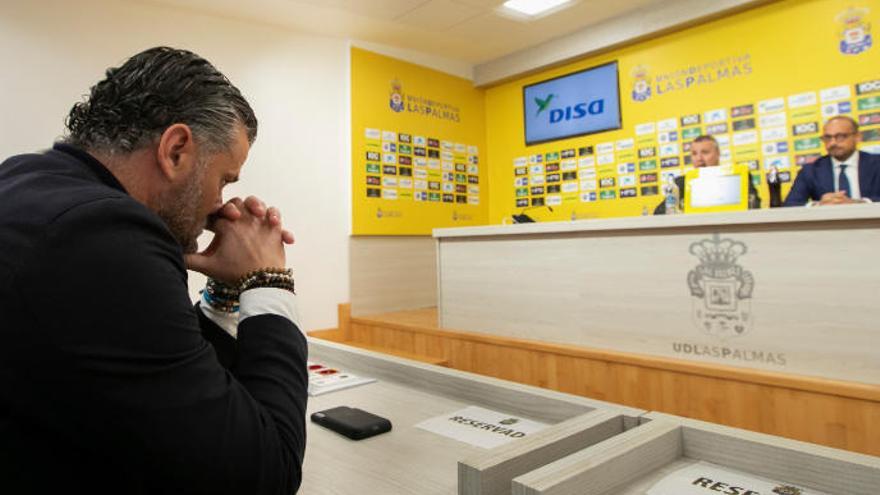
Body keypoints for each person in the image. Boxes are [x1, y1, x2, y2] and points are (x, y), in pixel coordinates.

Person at [0, 47, 308, 494]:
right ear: (176, 149)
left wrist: (225, 293)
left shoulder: (26, 180)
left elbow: (165, 374)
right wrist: (267, 280)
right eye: (224, 179)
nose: (221, 206)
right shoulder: (103, 236)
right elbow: (263, 474)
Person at [783, 115, 880, 206]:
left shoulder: (876, 164)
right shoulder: (810, 171)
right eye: (827, 138)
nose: (832, 143)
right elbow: (790, 205)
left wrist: (859, 203)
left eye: (840, 136)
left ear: (857, 137)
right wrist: (819, 205)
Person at [654, 134, 761, 214]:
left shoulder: (738, 177)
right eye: (694, 154)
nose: (699, 158)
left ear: (718, 153)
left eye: (705, 152)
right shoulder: (681, 182)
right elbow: (659, 212)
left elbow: (754, 207)